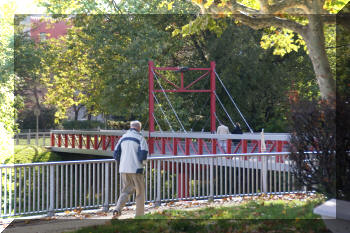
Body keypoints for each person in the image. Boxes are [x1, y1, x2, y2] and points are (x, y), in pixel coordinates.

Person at [112, 120, 148, 218]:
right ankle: (139, 215)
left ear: (131, 127)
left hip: (123, 168)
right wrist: (143, 165)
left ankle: (117, 209)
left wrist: (122, 163)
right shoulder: (140, 138)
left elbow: (115, 154)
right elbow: (143, 155)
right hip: (136, 169)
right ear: (139, 128)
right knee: (140, 192)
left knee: (126, 190)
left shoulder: (123, 138)